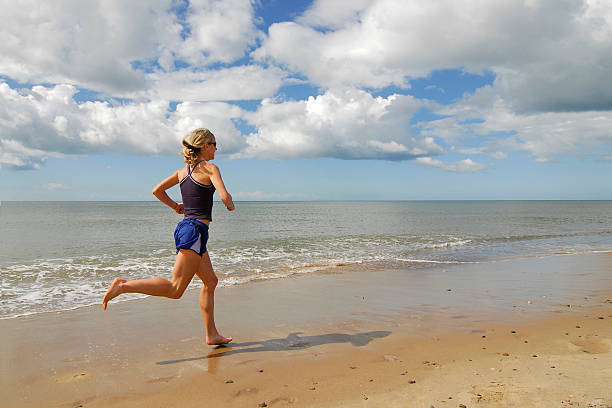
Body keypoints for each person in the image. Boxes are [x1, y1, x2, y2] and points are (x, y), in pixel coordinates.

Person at [102, 128, 234, 345]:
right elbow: (224, 196)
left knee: (210, 281)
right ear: (204, 145)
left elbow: (157, 190)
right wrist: (230, 205)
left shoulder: (182, 172)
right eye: (214, 143)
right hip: (194, 232)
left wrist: (175, 206)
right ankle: (123, 285)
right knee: (175, 289)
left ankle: (211, 335)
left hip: (190, 230)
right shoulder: (211, 169)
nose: (216, 148)